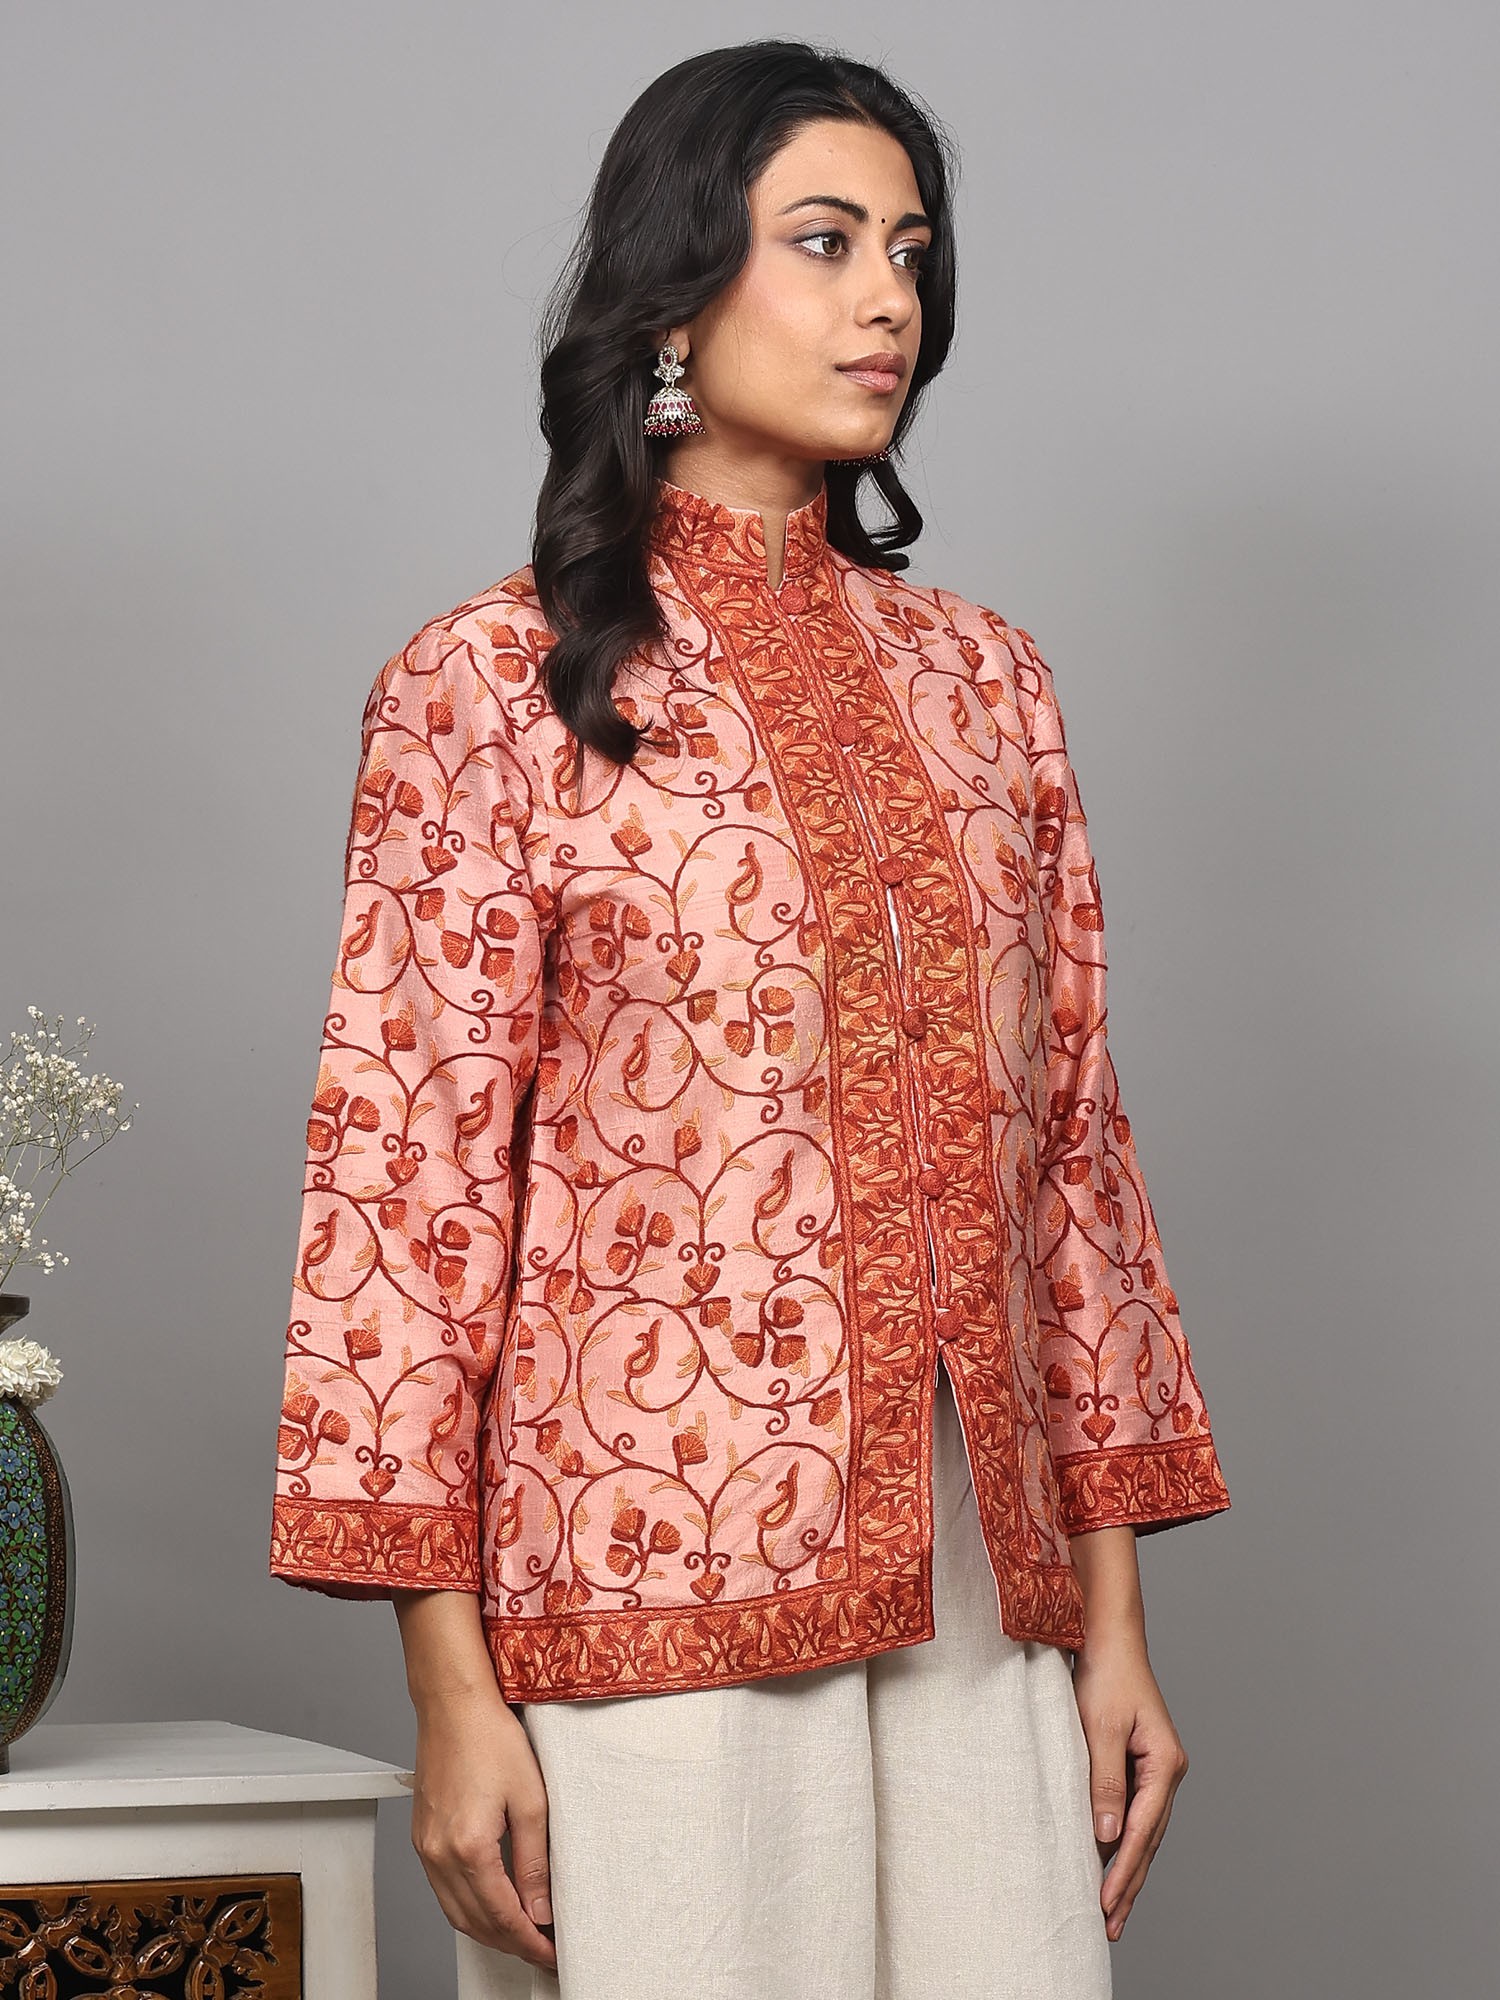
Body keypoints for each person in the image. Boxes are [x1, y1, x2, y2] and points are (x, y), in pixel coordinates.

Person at [268, 38, 1230, 2000]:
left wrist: (1111, 1625)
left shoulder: (987, 687)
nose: (889, 300)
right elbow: (400, 1204)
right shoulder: (495, 684)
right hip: (639, 1591)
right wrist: (450, 1692)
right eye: (824, 241)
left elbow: (1074, 1167)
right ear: (674, 293)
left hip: (984, 1594)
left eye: (911, 252)